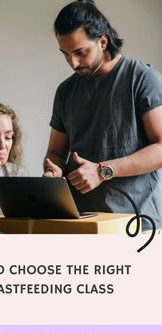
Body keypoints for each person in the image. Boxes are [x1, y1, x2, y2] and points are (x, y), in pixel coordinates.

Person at [44, 0, 162, 231]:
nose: (73, 63)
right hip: (78, 221)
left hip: (136, 224)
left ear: (103, 41)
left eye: (80, 52)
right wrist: (53, 172)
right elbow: (56, 152)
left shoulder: (143, 78)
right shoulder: (65, 91)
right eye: (65, 54)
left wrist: (102, 171)